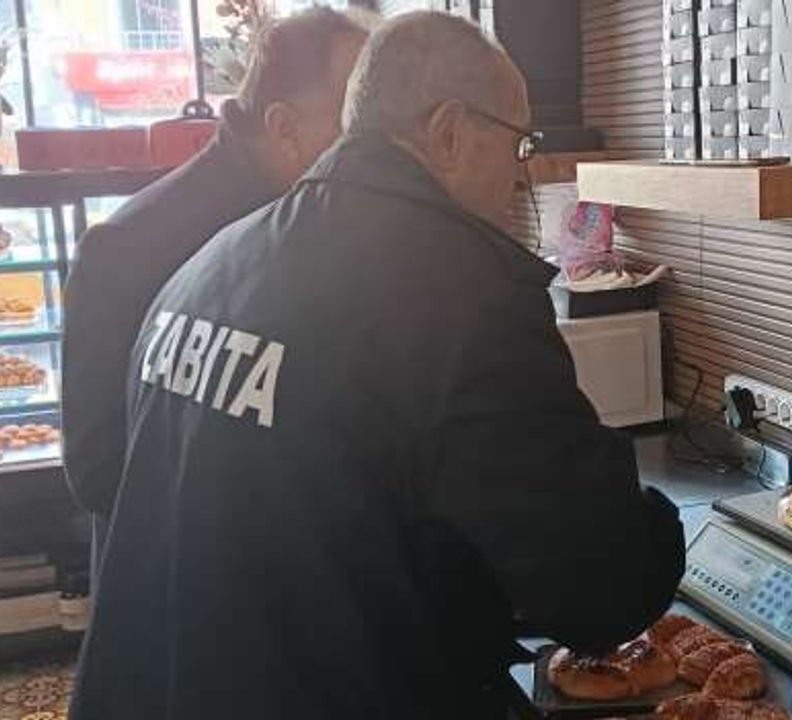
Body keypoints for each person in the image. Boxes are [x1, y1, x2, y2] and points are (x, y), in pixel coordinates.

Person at [70, 11, 686, 720]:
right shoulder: (458, 291)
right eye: (518, 145)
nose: (521, 180)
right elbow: (600, 589)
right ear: (450, 132)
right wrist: (655, 528)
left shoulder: (215, 263)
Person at [61, 8, 371, 560]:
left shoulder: (331, 228)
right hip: (184, 583)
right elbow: (99, 471)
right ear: (284, 128)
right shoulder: (127, 248)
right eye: (359, 126)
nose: (378, 154)